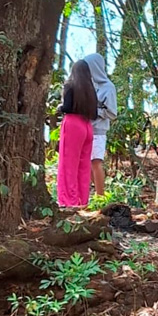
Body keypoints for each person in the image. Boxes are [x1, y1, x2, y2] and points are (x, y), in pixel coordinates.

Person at [56, 61, 99, 207]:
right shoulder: (90, 88)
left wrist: (60, 107)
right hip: (87, 126)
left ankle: (68, 201)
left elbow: (67, 107)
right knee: (83, 165)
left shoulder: (70, 85)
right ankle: (82, 200)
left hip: (73, 125)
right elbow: (95, 113)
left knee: (68, 164)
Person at [83, 53, 118, 196]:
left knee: (96, 162)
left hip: (98, 130)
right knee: (87, 164)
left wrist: (94, 111)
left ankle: (100, 196)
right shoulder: (89, 85)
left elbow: (112, 113)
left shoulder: (108, 87)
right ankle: (96, 193)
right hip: (85, 128)